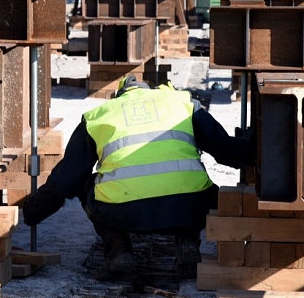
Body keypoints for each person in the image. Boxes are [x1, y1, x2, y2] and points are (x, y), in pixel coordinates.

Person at [23, 75, 254, 278]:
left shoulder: (99, 116)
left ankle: (118, 247)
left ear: (119, 96)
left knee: (84, 183)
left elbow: (66, 180)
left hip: (122, 213)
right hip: (188, 208)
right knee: (201, 185)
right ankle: (187, 240)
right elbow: (228, 153)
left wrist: (33, 212)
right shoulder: (182, 103)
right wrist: (255, 140)